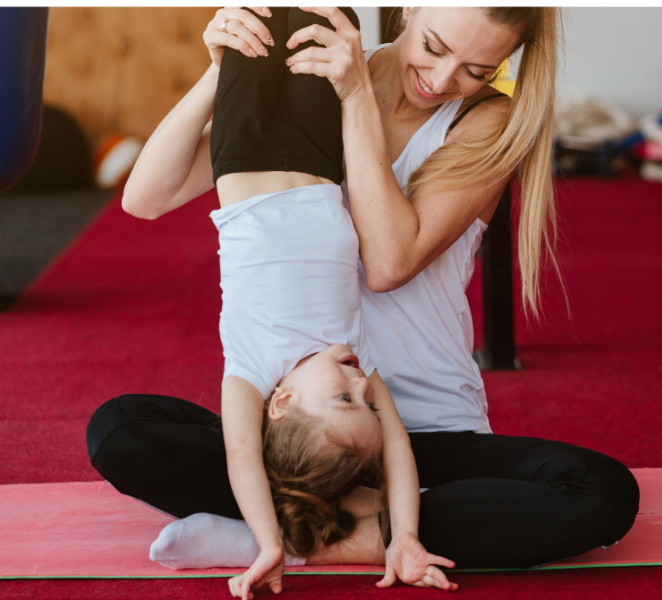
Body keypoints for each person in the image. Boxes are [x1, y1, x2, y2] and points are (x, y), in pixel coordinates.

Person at [86, 4, 639, 589]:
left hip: (429, 437)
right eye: (433, 45)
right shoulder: (316, 75)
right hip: (312, 437)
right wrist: (218, 72)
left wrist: (355, 101)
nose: (444, 78)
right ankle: (350, 525)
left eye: (477, 70)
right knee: (121, 430)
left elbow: (388, 261)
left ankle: (317, 538)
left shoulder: (490, 122)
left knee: (600, 491)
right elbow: (145, 198)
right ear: (407, 9)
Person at [87, 7, 456, 598]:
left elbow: (241, 456)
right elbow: (399, 453)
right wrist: (403, 535)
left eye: (344, 397)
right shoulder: (352, 356)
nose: (361, 383)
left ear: (281, 403)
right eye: (368, 400)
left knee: (257, 15)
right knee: (326, 15)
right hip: (317, 156)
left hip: (244, 149)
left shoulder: (253, 373)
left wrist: (266, 543)